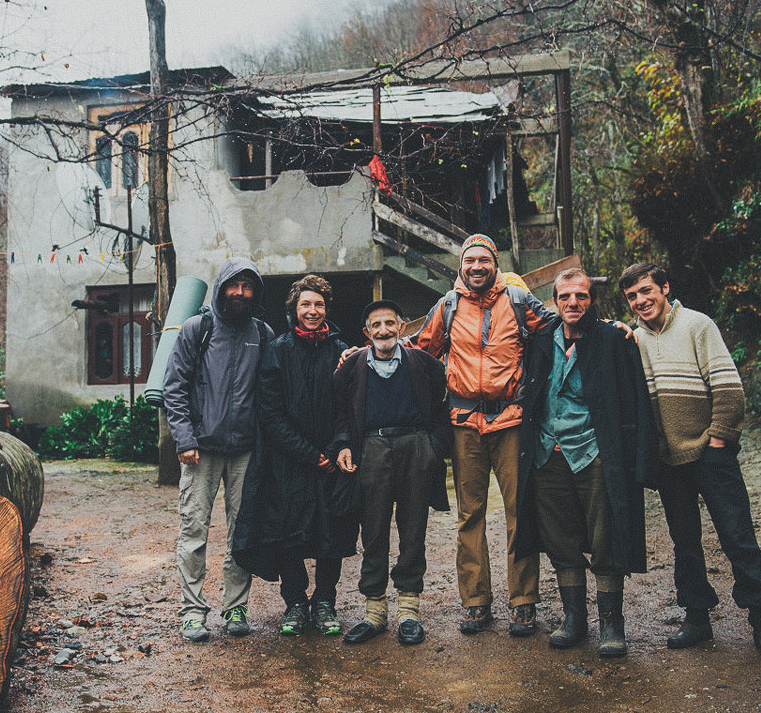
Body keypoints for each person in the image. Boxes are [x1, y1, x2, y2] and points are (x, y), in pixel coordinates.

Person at [618, 262, 761, 659]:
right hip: (669, 459)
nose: (642, 300)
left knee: (737, 534)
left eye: (647, 290)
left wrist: (718, 439)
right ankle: (697, 617)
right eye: (633, 296)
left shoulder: (697, 325)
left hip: (711, 453)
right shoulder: (635, 341)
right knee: (685, 542)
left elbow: (729, 386)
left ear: (664, 287)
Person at [410, 233, 557, 636]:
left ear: (495, 263)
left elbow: (559, 330)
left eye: (484, 260)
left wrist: (610, 327)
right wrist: (365, 351)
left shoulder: (518, 299)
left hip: (510, 418)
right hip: (463, 423)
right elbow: (419, 348)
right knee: (469, 515)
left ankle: (523, 601)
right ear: (461, 265)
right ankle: (475, 602)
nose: (476, 267)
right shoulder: (448, 305)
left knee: (518, 510)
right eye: (469, 260)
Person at [517, 269, 658, 657]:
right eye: (565, 297)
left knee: (605, 535)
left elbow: (635, 402)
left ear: (591, 300)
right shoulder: (543, 340)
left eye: (580, 296)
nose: (572, 303)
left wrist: (637, 458)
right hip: (549, 452)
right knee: (560, 537)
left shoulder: (614, 339)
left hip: (595, 452)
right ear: (555, 301)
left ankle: (611, 622)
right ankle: (574, 618)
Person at [231, 274, 356, 636]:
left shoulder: (341, 351)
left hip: (332, 462)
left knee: (331, 535)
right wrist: (307, 453)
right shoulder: (278, 350)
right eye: (306, 304)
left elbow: (348, 406)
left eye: (318, 304)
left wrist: (334, 448)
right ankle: (296, 603)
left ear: (326, 308)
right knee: (289, 535)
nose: (312, 311)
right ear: (294, 308)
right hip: (288, 462)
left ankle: (325, 602)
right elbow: (269, 412)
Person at [162, 258, 274, 642]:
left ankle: (235, 607)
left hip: (246, 451)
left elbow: (272, 392)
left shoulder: (262, 332)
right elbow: (174, 387)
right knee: (193, 532)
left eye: (247, 287)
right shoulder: (199, 327)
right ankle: (193, 611)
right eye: (234, 285)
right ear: (221, 287)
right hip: (201, 449)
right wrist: (185, 439)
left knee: (241, 534)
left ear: (255, 292)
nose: (240, 293)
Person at [332, 299, 452, 646]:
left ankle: (409, 612)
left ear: (401, 327)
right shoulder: (352, 366)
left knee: (413, 529)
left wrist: (434, 449)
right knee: (373, 531)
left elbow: (444, 406)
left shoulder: (423, 364)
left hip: (415, 448)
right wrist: (343, 444)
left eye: (390, 323)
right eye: (376, 325)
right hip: (372, 449)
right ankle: (374, 613)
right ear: (366, 332)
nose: (383, 330)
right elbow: (338, 410)